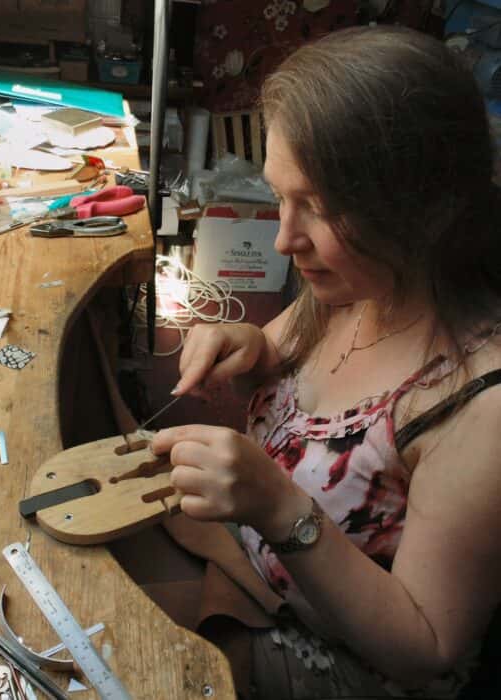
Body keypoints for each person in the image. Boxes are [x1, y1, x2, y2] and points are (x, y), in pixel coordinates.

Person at [148, 24, 501, 699]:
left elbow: (428, 650)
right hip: (244, 563)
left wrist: (283, 510)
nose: (283, 239)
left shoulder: (478, 403)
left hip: (338, 663)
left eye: (316, 207)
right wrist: (250, 349)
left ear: (414, 209)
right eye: (281, 196)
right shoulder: (352, 287)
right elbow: (279, 351)